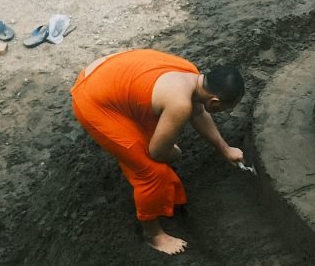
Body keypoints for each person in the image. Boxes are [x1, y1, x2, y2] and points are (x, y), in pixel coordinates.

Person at [70, 50, 247, 255]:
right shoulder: (179, 103)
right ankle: (153, 236)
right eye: (227, 108)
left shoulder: (190, 72)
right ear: (214, 102)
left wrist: (225, 149)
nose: (227, 112)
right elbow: (157, 152)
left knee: (152, 131)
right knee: (152, 171)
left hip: (101, 72)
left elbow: (198, 111)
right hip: (92, 101)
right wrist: (173, 153)